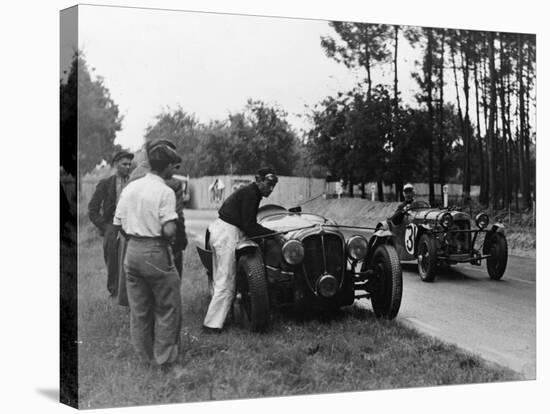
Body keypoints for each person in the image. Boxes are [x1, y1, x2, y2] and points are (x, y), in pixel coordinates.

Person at [113, 144, 182, 368]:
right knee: (167, 307)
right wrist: (168, 234)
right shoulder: (166, 191)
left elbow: (118, 223)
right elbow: (169, 230)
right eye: (174, 165)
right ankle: (164, 361)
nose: (175, 168)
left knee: (139, 310)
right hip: (155, 250)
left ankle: (145, 360)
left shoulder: (130, 188)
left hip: (132, 250)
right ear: (168, 166)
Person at [203, 167, 278, 333]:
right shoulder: (251, 194)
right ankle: (212, 326)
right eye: (268, 184)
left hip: (220, 230)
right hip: (227, 234)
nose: (270, 189)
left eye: (273, 186)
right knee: (226, 281)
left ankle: (219, 320)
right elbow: (249, 226)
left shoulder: (251, 192)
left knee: (220, 280)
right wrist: (273, 235)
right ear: (258, 180)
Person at [88, 150, 134, 297]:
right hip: (112, 227)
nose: (128, 167)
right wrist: (106, 227)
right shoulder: (106, 184)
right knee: (112, 261)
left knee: (132, 260)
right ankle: (114, 293)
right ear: (116, 164)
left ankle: (131, 294)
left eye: (129, 164)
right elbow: (92, 209)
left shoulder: (135, 184)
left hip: (132, 227)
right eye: (124, 164)